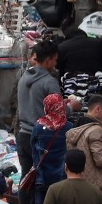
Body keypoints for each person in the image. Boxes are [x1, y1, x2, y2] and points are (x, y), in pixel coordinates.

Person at [17, 40, 62, 174]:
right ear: (48, 60)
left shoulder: (23, 78)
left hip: (23, 135)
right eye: (55, 60)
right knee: (45, 179)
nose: (55, 63)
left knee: (27, 179)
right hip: (42, 137)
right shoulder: (49, 82)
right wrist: (72, 107)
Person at [68, 94, 102, 195]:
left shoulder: (77, 126)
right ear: (97, 109)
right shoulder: (96, 130)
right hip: (97, 187)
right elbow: (101, 159)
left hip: (80, 183)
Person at [33, 95, 72, 204]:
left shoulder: (38, 126)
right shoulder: (69, 127)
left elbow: (33, 148)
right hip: (61, 176)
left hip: (42, 176)